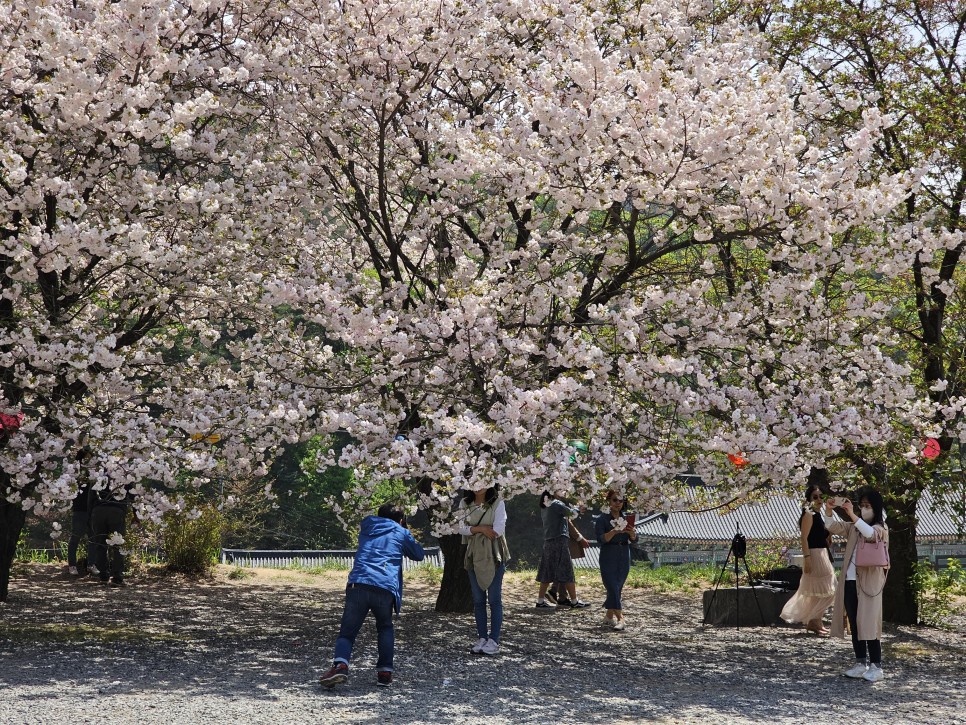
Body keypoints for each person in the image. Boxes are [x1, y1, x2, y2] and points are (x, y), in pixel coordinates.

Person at [319, 503, 425, 688]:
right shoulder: (401, 532)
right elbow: (418, 554)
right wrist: (405, 529)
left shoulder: (367, 526)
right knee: (385, 627)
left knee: (347, 631)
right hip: (384, 587)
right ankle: (385, 672)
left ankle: (340, 665)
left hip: (358, 583)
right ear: (400, 519)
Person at [823, 487, 890, 682]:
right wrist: (829, 509)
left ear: (876, 508)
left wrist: (852, 514)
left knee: (869, 623)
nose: (863, 509)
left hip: (869, 583)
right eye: (861, 506)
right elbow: (832, 526)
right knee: (855, 623)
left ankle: (877, 666)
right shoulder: (853, 527)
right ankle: (861, 663)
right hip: (850, 581)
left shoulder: (881, 529)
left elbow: (870, 533)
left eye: (867, 506)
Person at [458, 484, 509, 655]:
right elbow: (461, 528)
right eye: (473, 482)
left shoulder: (498, 502)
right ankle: (482, 637)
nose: (477, 487)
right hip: (474, 554)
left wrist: (473, 531)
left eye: (481, 482)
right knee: (478, 599)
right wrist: (480, 529)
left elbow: (498, 530)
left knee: (494, 599)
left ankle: (494, 639)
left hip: (494, 554)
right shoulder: (465, 503)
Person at [780, 483, 836, 635]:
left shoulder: (818, 515)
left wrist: (828, 535)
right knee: (827, 589)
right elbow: (804, 538)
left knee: (821, 590)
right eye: (815, 497)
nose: (819, 500)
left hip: (822, 553)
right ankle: (814, 620)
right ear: (809, 499)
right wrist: (807, 558)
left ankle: (816, 621)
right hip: (815, 554)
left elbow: (818, 534)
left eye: (820, 497)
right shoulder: (809, 514)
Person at [535, 491, 590, 609]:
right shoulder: (556, 503)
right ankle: (574, 601)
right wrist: (578, 509)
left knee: (546, 571)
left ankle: (540, 601)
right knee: (567, 570)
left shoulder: (546, 504)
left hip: (548, 541)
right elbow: (572, 513)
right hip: (560, 540)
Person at [595, 490, 637, 630]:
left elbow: (635, 540)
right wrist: (614, 531)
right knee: (611, 585)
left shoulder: (627, 518)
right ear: (609, 501)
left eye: (620, 500)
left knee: (618, 587)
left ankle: (608, 616)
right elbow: (601, 539)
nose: (618, 503)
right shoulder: (602, 519)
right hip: (608, 554)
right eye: (615, 500)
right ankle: (621, 619)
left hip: (624, 553)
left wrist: (631, 534)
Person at [88, 483, 131, 586]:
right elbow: (132, 493)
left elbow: (90, 496)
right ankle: (117, 577)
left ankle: (103, 576)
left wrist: (90, 516)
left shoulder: (98, 472)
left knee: (100, 545)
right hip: (117, 510)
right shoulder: (124, 473)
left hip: (98, 510)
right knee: (118, 545)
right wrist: (135, 513)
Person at [66, 474, 92, 577]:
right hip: (79, 511)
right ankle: (72, 565)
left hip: (92, 511)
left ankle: (91, 563)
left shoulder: (94, 478)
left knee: (93, 538)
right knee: (75, 538)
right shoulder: (74, 479)